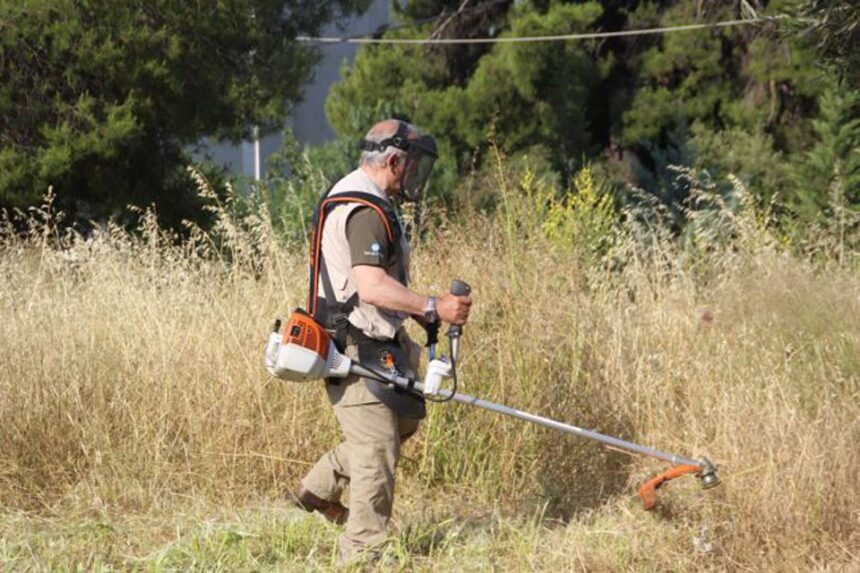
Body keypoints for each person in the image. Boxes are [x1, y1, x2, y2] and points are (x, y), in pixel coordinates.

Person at [293, 119, 472, 563]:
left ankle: (316, 489)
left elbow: (373, 290)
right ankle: (361, 556)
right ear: (393, 161)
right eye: (412, 166)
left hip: (379, 343)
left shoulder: (367, 198)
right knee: (376, 456)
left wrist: (419, 310)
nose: (415, 175)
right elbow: (370, 287)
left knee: (400, 425)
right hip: (356, 349)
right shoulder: (366, 211)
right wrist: (433, 306)